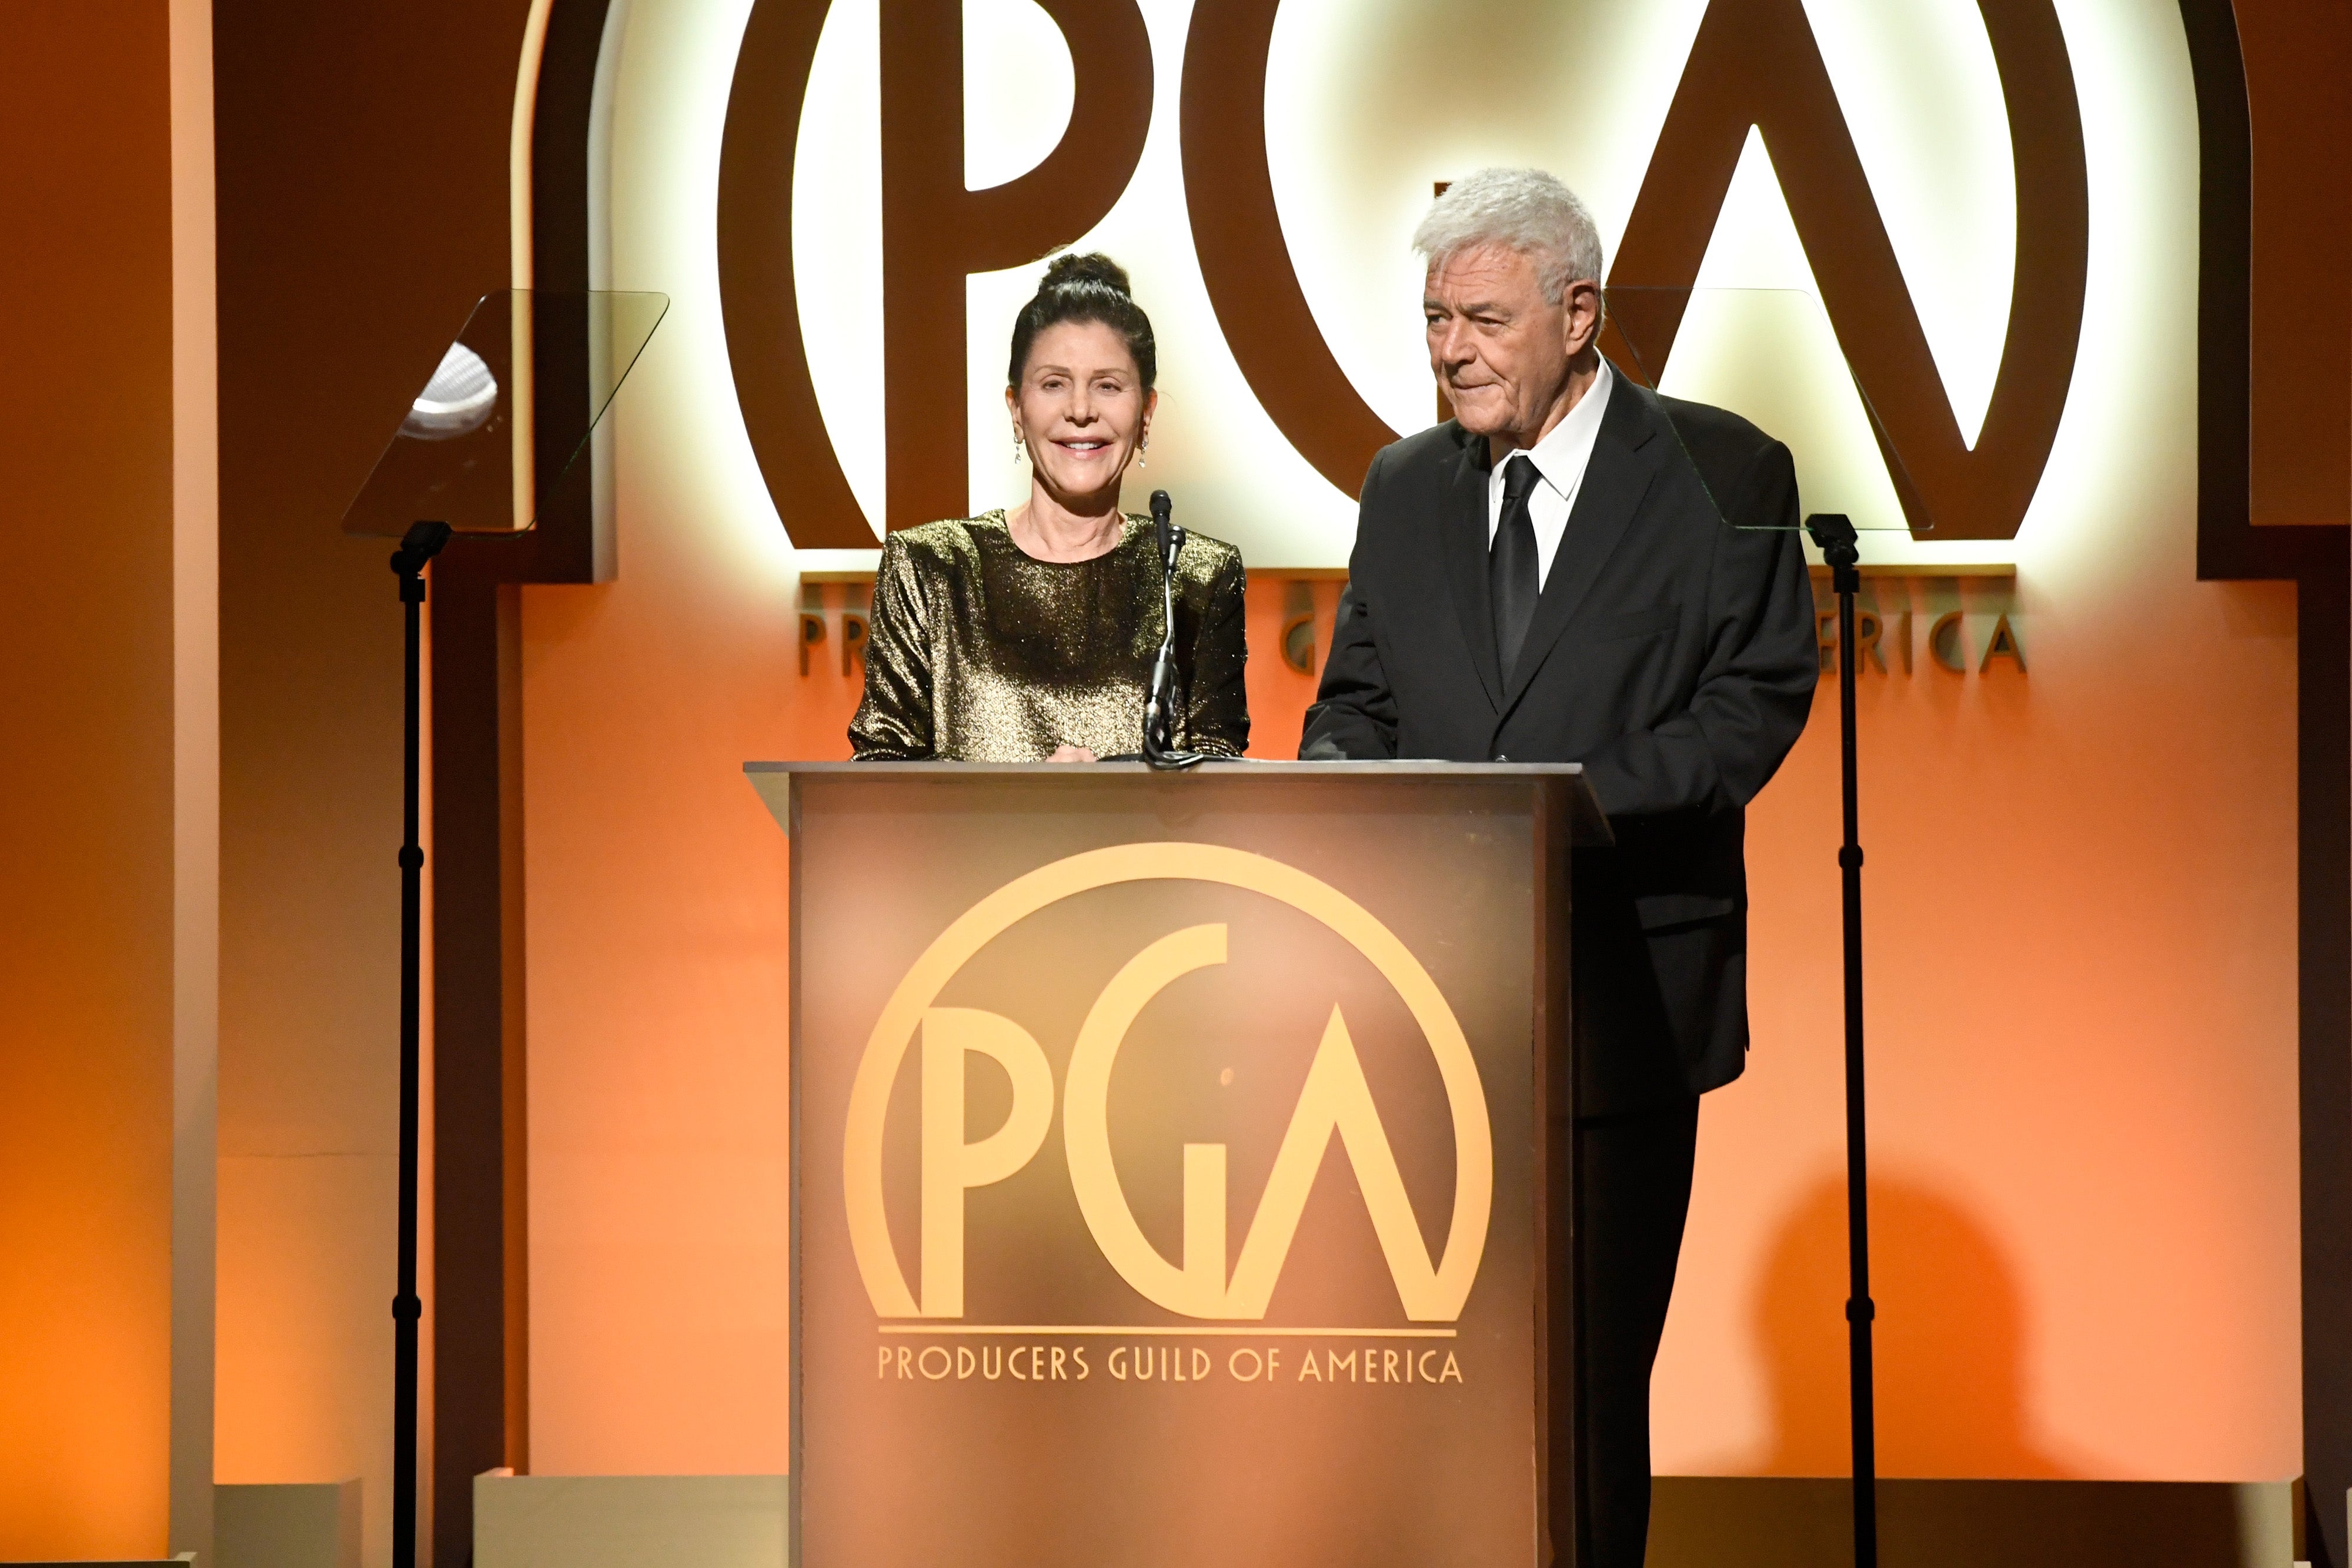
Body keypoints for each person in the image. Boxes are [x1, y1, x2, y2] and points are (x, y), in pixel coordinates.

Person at [1301, 168, 1818, 1566]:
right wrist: (1347, 782)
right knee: (1432, 1393)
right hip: (1429, 1012)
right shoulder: (1404, 486)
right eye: (1431, 322)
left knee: (1586, 1395)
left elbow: (1749, 706)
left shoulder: (1723, 474)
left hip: (1622, 1007)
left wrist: (1562, 803)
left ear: (1576, 313)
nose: (1449, 351)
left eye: (1480, 319)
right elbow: (1352, 700)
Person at [849, 253, 1249, 762]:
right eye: (1054, 383)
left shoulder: (1195, 579)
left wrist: (1104, 796)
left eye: (1107, 385)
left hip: (1148, 847)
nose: (1080, 410)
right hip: (972, 846)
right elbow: (878, 784)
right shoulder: (931, 569)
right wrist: (1031, 801)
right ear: (1016, 409)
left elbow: (1220, 785)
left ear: (1146, 413)